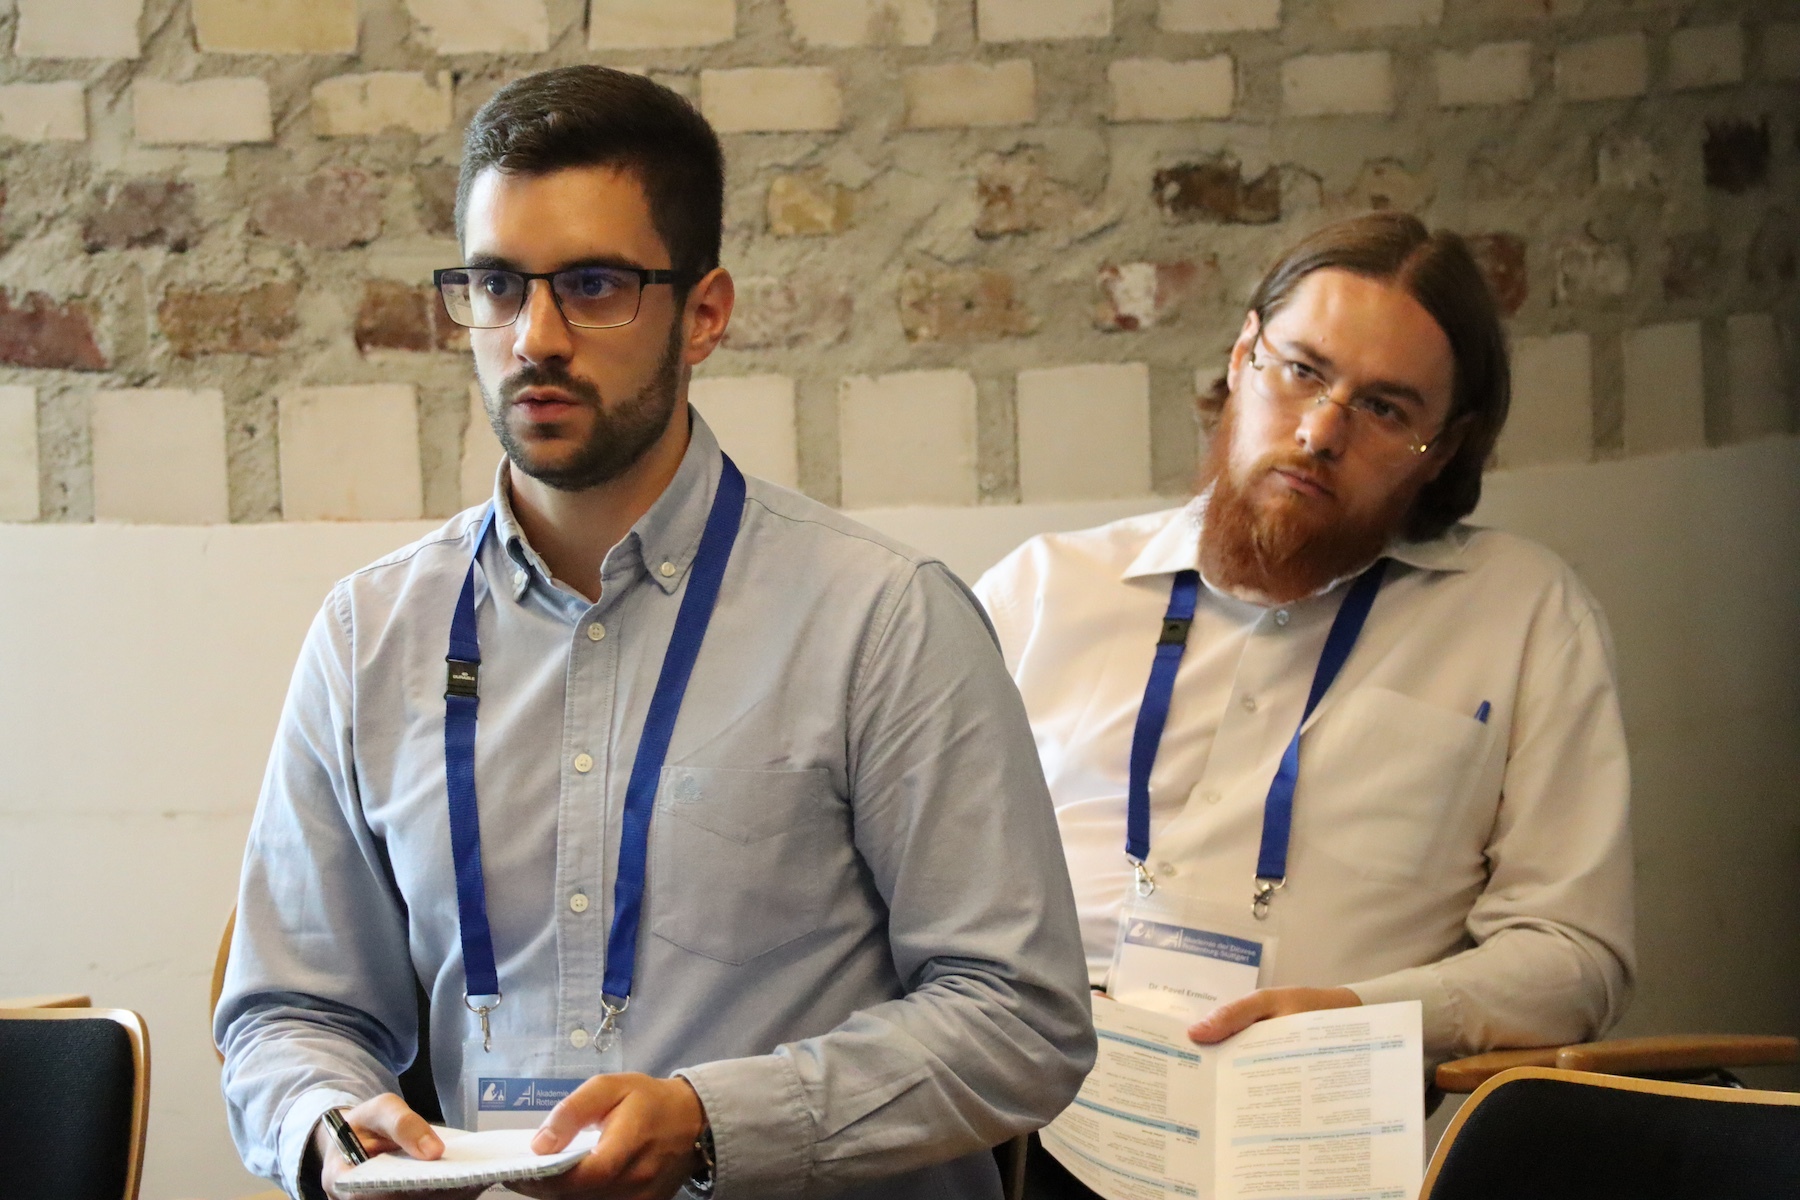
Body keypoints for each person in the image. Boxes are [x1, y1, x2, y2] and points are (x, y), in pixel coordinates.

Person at [216, 65, 1094, 1200]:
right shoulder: (370, 635)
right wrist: (326, 1122)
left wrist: (716, 1124)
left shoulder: (884, 619)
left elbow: (1021, 1019)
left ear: (706, 313)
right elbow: (290, 1011)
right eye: (497, 285)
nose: (535, 337)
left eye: (595, 286)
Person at [974, 213, 1634, 1193]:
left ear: (1444, 448)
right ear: (1242, 355)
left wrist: (1366, 1014)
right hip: (1028, 1138)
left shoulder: (1520, 614)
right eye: (1302, 371)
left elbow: (1576, 958)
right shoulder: (1041, 593)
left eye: (1384, 408)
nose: (1322, 432)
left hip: (1312, 1149)